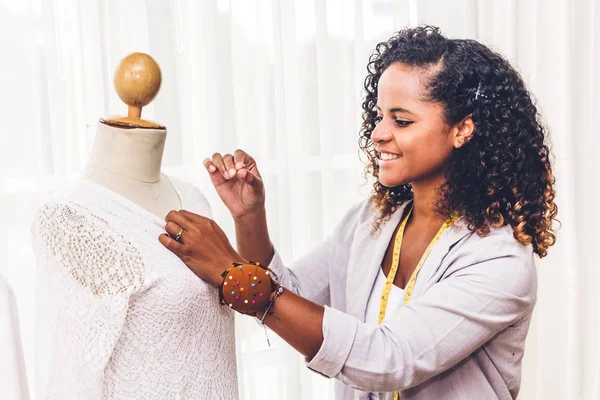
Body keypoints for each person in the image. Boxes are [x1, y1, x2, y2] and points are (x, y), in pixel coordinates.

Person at [159, 26, 558, 399]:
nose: (378, 133)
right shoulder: (372, 219)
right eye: (379, 115)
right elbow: (291, 297)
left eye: (401, 120)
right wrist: (249, 218)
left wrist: (234, 274)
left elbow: (389, 359)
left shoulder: (499, 259)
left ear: (462, 129)